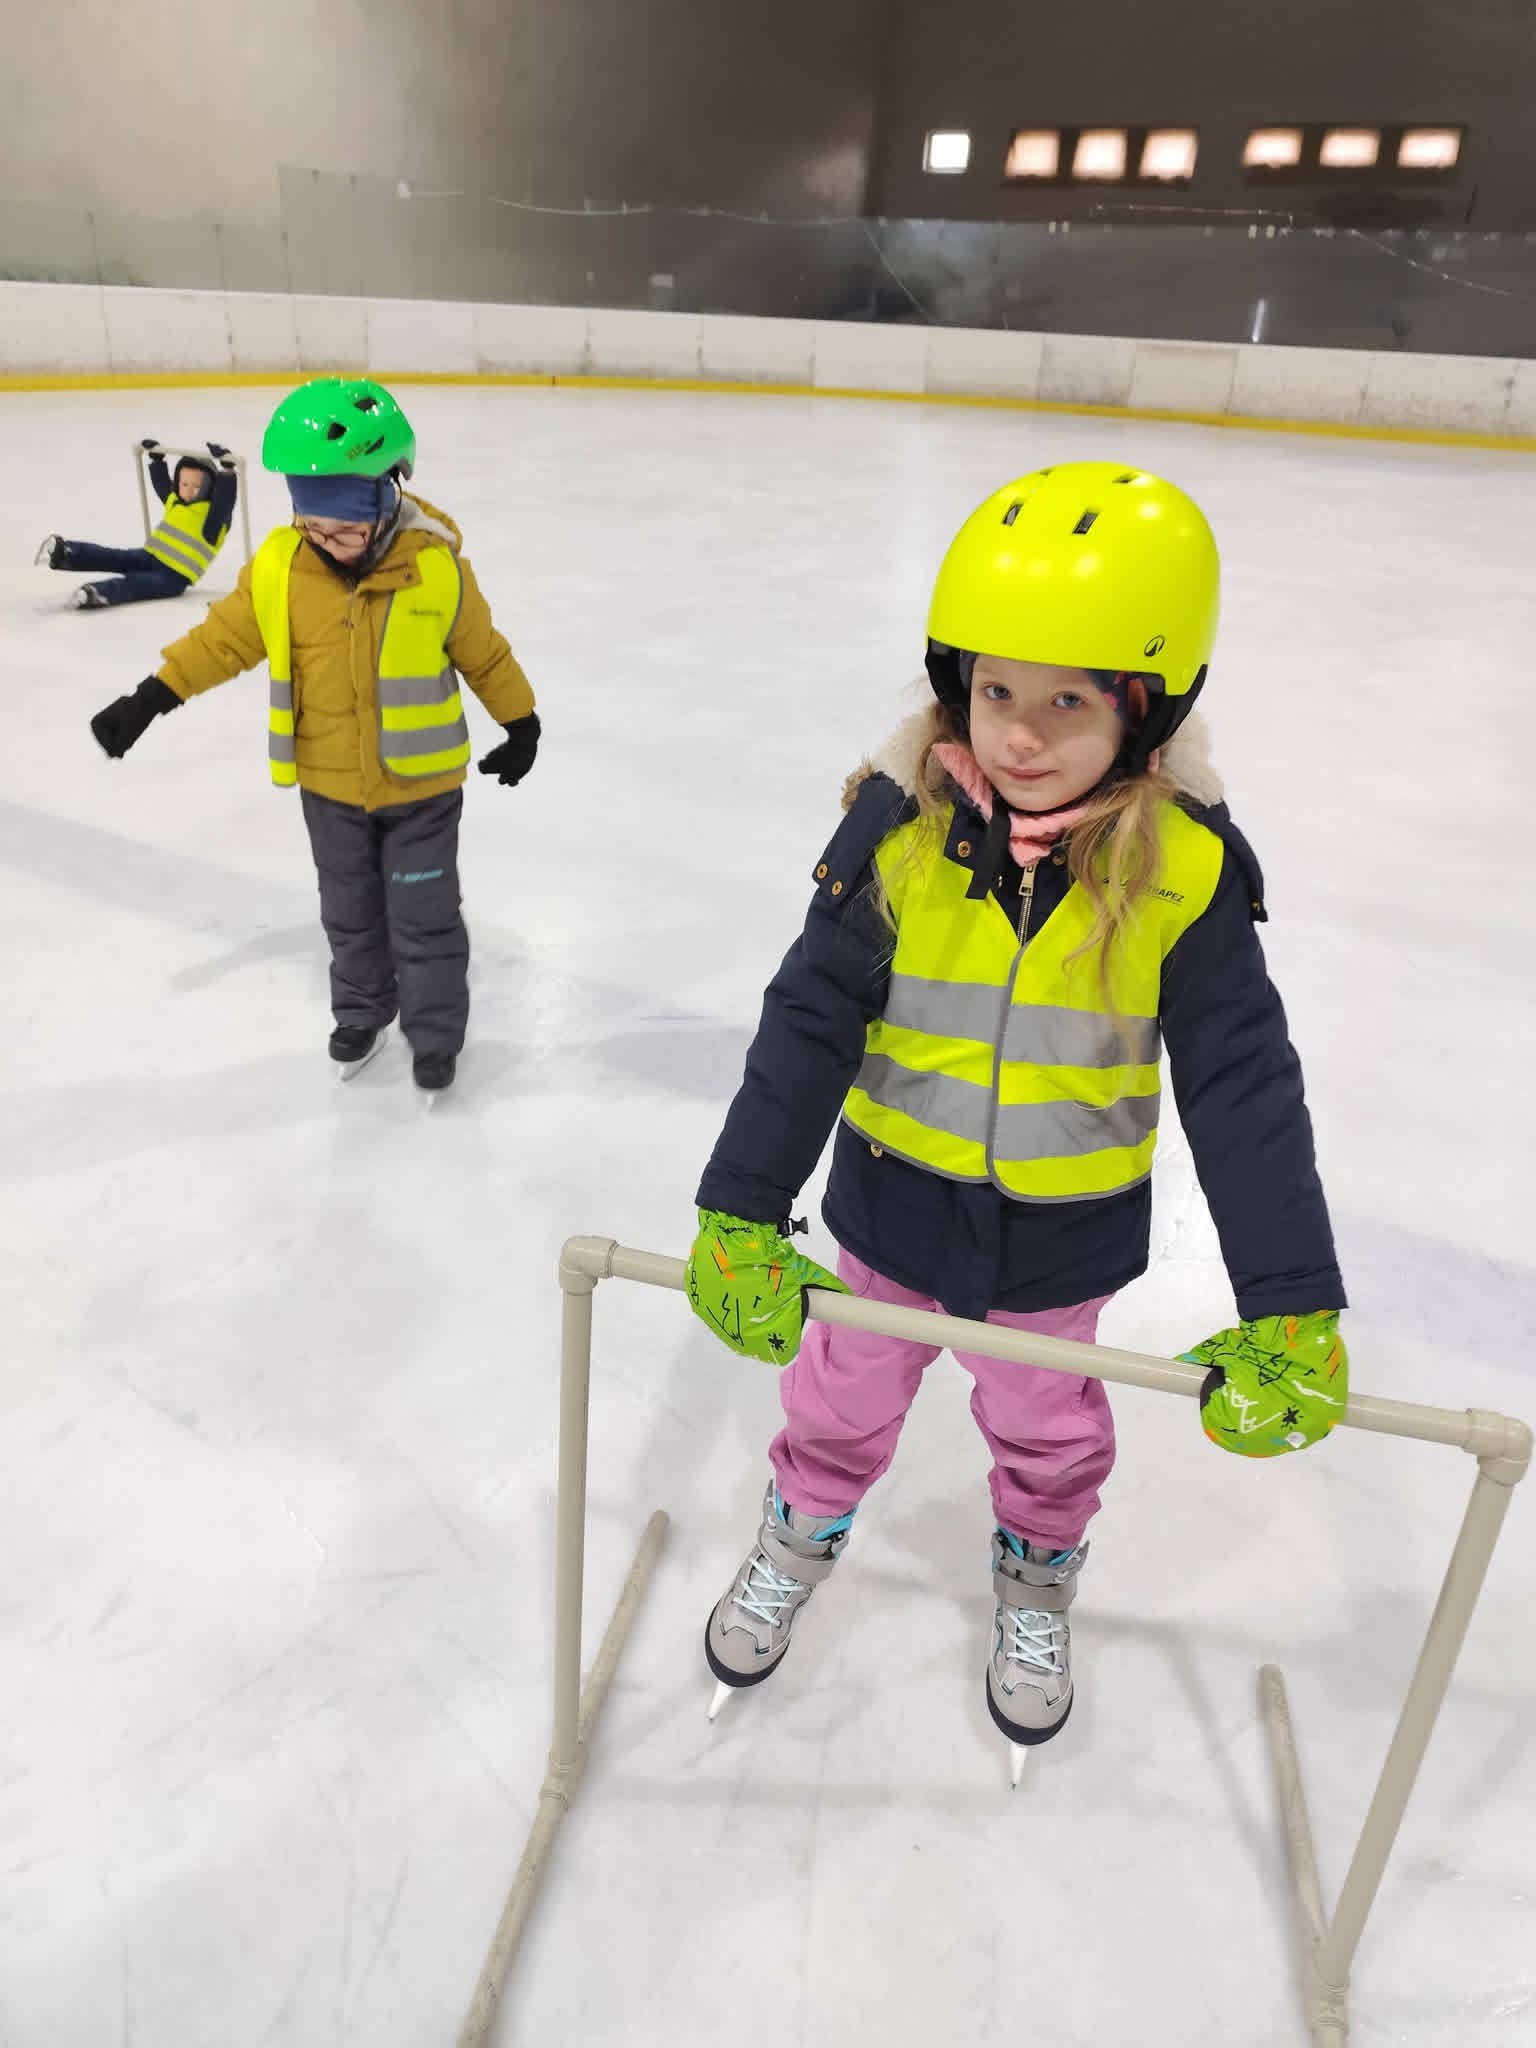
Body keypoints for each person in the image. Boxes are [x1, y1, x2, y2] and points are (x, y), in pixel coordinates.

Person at [684, 461, 1348, 1756]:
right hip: (890, 1212)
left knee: (1050, 1433)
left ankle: (1036, 1581)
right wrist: (741, 1206)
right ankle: (796, 1537)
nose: (1020, 736)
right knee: (836, 1400)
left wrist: (1291, 1297)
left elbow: (1243, 1084)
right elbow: (811, 1018)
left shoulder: (1184, 870)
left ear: (1147, 711)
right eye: (996, 692)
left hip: (1058, 1242)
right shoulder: (901, 832)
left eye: (1067, 701)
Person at [86, 378, 540, 1096]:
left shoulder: (435, 570)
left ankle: (435, 1033)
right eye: (312, 526)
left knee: (424, 918)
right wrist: (150, 699)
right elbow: (221, 641)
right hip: (329, 789)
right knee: (349, 915)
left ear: (386, 496)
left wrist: (520, 723)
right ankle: (361, 1013)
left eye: (344, 530)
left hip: (422, 792)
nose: (328, 544)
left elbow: (485, 655)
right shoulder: (282, 568)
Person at [37, 440, 238, 609]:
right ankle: (67, 552)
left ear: (210, 488)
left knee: (135, 584)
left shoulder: (212, 518)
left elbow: (225, 502)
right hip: (150, 556)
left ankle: (97, 593)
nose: (189, 490)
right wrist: (157, 460)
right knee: (115, 557)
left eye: (197, 486)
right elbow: (162, 485)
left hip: (173, 577)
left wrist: (227, 472)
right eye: (184, 484)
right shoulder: (175, 502)